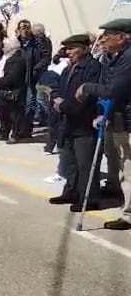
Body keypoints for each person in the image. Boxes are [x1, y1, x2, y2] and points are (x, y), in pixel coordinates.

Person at [76, 18, 131, 230]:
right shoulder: (112, 58)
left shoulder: (128, 58)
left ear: (122, 37)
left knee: (128, 167)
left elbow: (113, 90)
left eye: (109, 34)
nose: (104, 39)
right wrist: (104, 113)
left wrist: (86, 87)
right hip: (117, 118)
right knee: (120, 165)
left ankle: (128, 215)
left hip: (128, 120)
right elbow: (108, 89)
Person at [48, 34, 103, 212]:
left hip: (84, 121)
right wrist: (56, 98)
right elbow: (59, 86)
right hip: (69, 120)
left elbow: (87, 98)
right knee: (70, 160)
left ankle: (89, 198)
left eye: (72, 48)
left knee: (85, 162)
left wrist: (64, 105)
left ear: (85, 48)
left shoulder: (93, 68)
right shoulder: (70, 67)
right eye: (67, 49)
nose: (69, 52)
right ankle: (71, 191)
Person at [0, 38, 28, 144]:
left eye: (5, 46)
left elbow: (13, 77)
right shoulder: (5, 57)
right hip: (2, 90)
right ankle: (3, 132)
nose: (3, 48)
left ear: (11, 47)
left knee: (15, 115)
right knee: (3, 113)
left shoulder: (18, 59)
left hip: (14, 91)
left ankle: (15, 135)